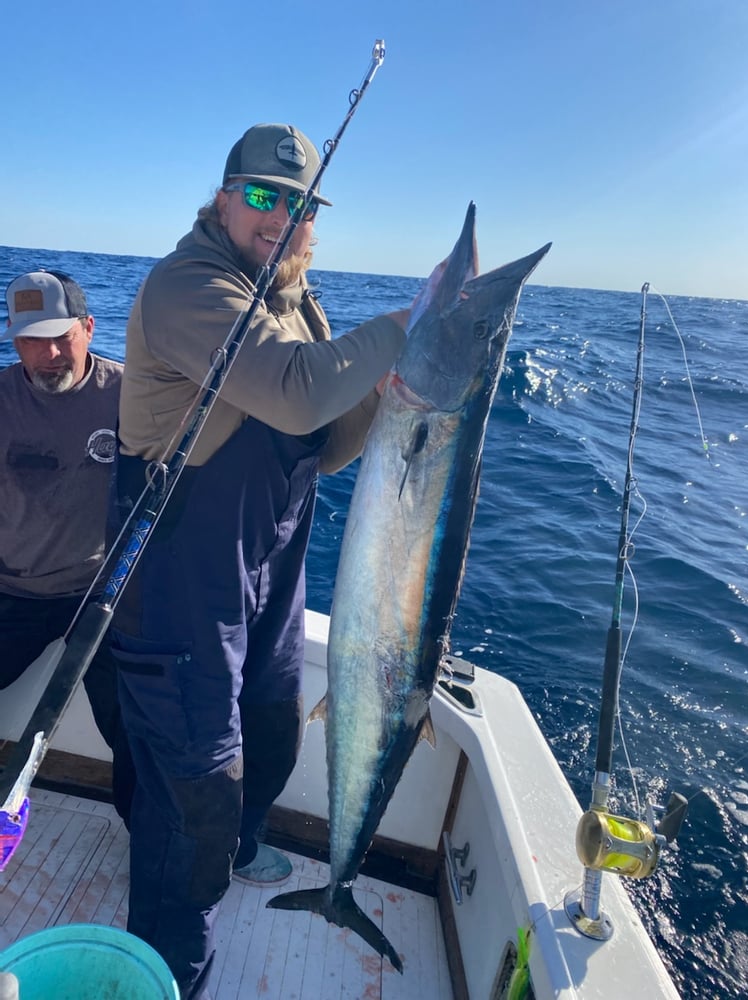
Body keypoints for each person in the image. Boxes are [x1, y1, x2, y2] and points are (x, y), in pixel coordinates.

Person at [110, 122, 409, 999]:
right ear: (224, 196)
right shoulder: (186, 286)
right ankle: (167, 964)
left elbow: (320, 440)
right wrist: (404, 327)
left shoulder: (296, 300)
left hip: (269, 564)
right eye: (263, 195)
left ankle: (236, 847)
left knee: (273, 728)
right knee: (196, 788)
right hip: (179, 580)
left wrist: (388, 399)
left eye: (299, 203)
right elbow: (296, 388)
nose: (279, 215)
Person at [0, 270, 125, 766]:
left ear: (89, 328)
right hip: (12, 590)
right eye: (31, 341)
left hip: (101, 592)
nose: (48, 356)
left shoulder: (131, 396)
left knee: (137, 723)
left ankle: (152, 835)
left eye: (61, 338)